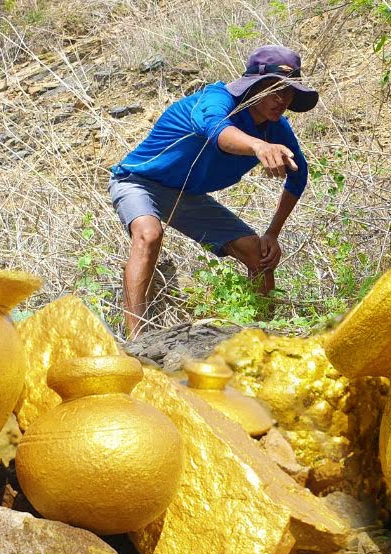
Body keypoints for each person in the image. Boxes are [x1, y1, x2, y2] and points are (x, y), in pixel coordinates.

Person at [109, 45, 318, 338]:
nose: (281, 100)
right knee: (149, 233)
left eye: (288, 92)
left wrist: (272, 233)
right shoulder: (216, 99)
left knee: (260, 253)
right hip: (138, 181)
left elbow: (299, 176)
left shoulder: (276, 128)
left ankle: (264, 338)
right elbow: (216, 129)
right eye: (273, 89)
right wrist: (258, 146)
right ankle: (137, 340)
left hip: (186, 196)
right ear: (254, 85)